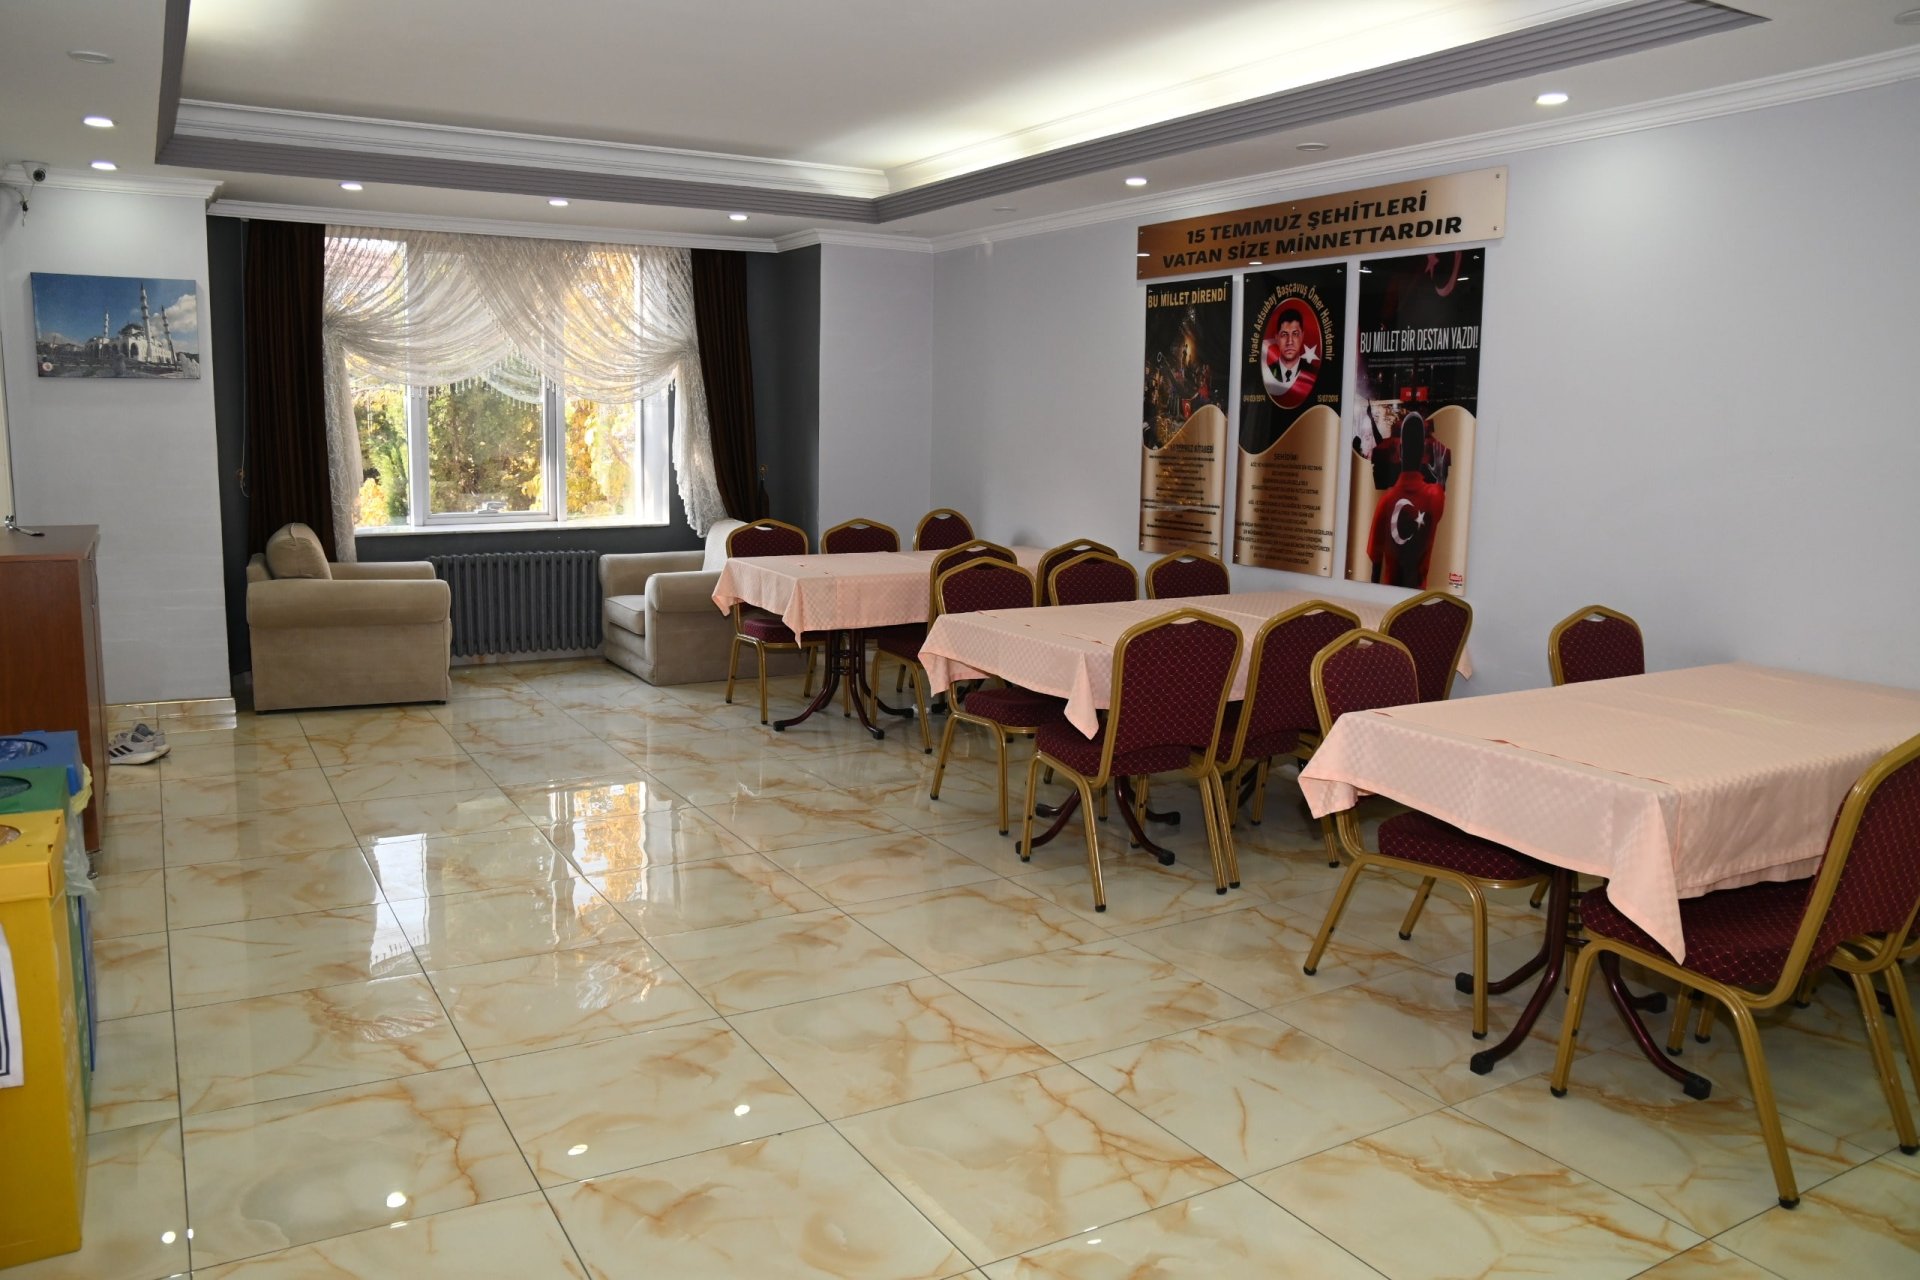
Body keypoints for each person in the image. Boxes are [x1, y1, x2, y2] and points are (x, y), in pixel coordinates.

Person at [1367, 411, 1448, 588]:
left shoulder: (1386, 502)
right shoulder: (1434, 496)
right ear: (1423, 453)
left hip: (1388, 593)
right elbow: (1440, 498)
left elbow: (1375, 562)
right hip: (1419, 594)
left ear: (1401, 451)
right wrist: (1441, 480)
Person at [1262, 308, 1316, 401]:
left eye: (1295, 334)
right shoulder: (1267, 373)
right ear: (1277, 338)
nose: (1289, 341)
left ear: (1302, 336)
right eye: (1284, 334)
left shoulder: (1312, 374)